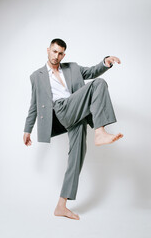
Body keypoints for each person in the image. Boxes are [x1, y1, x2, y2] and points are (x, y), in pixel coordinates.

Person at [23, 38, 123, 220]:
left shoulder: (72, 68)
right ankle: (99, 132)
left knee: (77, 156)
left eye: (60, 53)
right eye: (54, 51)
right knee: (98, 84)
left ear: (64, 54)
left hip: (77, 112)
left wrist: (105, 62)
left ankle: (61, 206)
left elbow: (92, 71)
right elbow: (34, 106)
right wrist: (27, 130)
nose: (56, 56)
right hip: (61, 111)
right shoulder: (36, 76)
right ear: (48, 50)